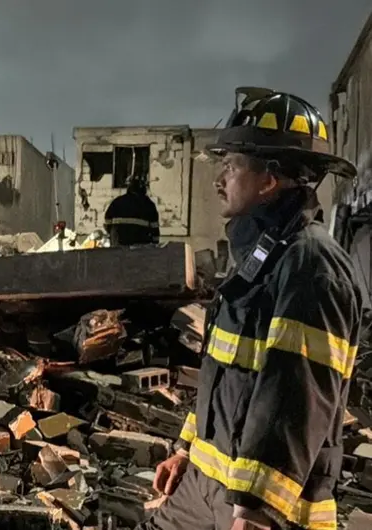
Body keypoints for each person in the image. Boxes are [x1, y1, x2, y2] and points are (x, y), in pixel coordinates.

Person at [138, 87, 362, 530]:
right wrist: (187, 449)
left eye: (232, 165)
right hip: (206, 483)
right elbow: (225, 372)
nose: (219, 179)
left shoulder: (311, 265)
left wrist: (257, 511)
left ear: (269, 179)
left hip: (256, 504)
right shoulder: (263, 253)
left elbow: (295, 396)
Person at [103, 175, 160, 245]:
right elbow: (154, 227)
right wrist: (155, 243)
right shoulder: (149, 204)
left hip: (118, 241)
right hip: (139, 242)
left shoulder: (118, 201)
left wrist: (111, 233)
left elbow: (108, 220)